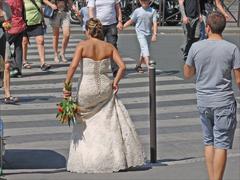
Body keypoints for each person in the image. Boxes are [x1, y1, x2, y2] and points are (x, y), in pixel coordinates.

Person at [64, 18, 145, 173]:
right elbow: (122, 66)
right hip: (104, 86)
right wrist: (115, 82)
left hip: (86, 88)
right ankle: (111, 156)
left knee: (84, 124)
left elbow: (73, 66)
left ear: (88, 31)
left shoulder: (82, 45)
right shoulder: (108, 46)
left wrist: (66, 88)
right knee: (107, 122)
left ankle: (89, 158)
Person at [184, 12, 240, 180]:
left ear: (207, 28)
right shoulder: (232, 49)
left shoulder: (196, 47)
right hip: (223, 101)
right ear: (223, 28)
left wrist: (198, 68)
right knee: (221, 143)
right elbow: (238, 79)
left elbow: (187, 73)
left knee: (209, 142)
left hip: (203, 100)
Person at [87, 0, 123, 77]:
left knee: (113, 46)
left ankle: (115, 70)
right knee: (98, 47)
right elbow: (91, 9)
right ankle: (98, 68)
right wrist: (92, 24)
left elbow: (118, 7)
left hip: (112, 24)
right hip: (99, 26)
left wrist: (120, 21)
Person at [123, 0, 157, 73]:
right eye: (142, 1)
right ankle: (149, 67)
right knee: (145, 48)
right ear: (140, 2)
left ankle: (138, 65)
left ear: (149, 1)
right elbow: (131, 21)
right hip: (140, 32)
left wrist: (154, 34)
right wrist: (122, 27)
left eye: (146, 1)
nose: (144, 3)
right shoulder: (137, 11)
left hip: (148, 33)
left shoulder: (153, 11)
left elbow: (154, 23)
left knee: (143, 50)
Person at [22, 0, 51, 71]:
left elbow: (40, 9)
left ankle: (43, 63)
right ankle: (24, 61)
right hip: (25, 24)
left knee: (41, 40)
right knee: (24, 42)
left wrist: (43, 20)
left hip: (37, 23)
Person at [0, 0, 18, 104]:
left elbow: (10, 20)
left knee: (7, 66)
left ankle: (7, 94)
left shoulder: (6, 6)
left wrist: (8, 25)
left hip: (3, 38)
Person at [6, 0, 26, 78]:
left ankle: (14, 67)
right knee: (18, 48)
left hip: (11, 27)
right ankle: (18, 70)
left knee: (4, 46)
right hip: (20, 25)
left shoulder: (9, 1)